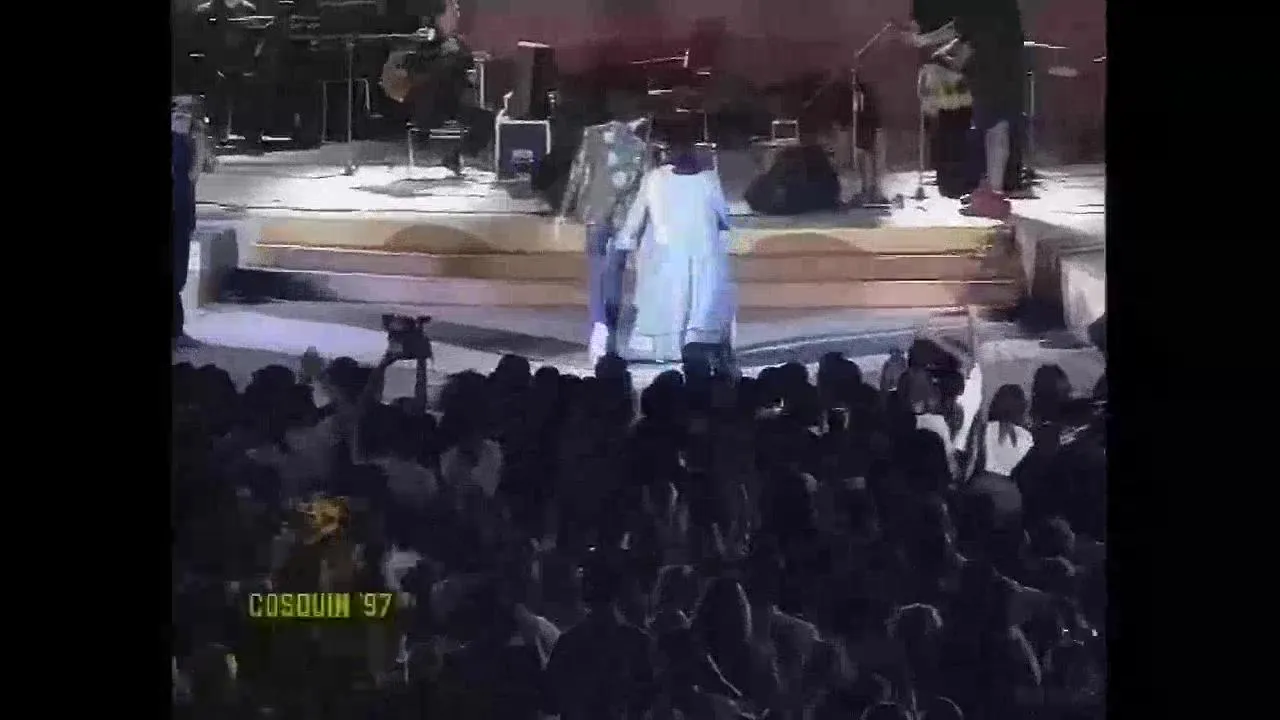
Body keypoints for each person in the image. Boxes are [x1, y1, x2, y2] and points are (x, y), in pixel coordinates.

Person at [616, 127, 736, 364]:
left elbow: (637, 213)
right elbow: (724, 217)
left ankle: (669, 349)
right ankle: (695, 348)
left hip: (668, 252)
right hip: (699, 252)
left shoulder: (656, 178)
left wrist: (626, 239)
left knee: (673, 297)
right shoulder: (707, 180)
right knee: (696, 301)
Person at [903, 0, 1025, 219]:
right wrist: (944, 50)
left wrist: (922, 40)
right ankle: (990, 187)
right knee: (990, 129)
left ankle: (994, 195)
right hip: (991, 67)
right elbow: (967, 32)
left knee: (997, 129)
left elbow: (959, 27)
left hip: (998, 69)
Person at [560, 92, 651, 366]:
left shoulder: (592, 135)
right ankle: (611, 337)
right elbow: (644, 189)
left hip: (595, 213)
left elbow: (578, 172)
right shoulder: (640, 147)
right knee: (614, 276)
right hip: (623, 219)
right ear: (638, 119)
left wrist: (565, 208)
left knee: (596, 273)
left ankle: (598, 329)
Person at [172, 107, 199, 350]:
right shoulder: (178, 144)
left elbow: (192, 177)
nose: (184, 120)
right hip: (177, 216)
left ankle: (176, 332)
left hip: (182, 216)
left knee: (177, 276)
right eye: (179, 115)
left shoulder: (187, 142)